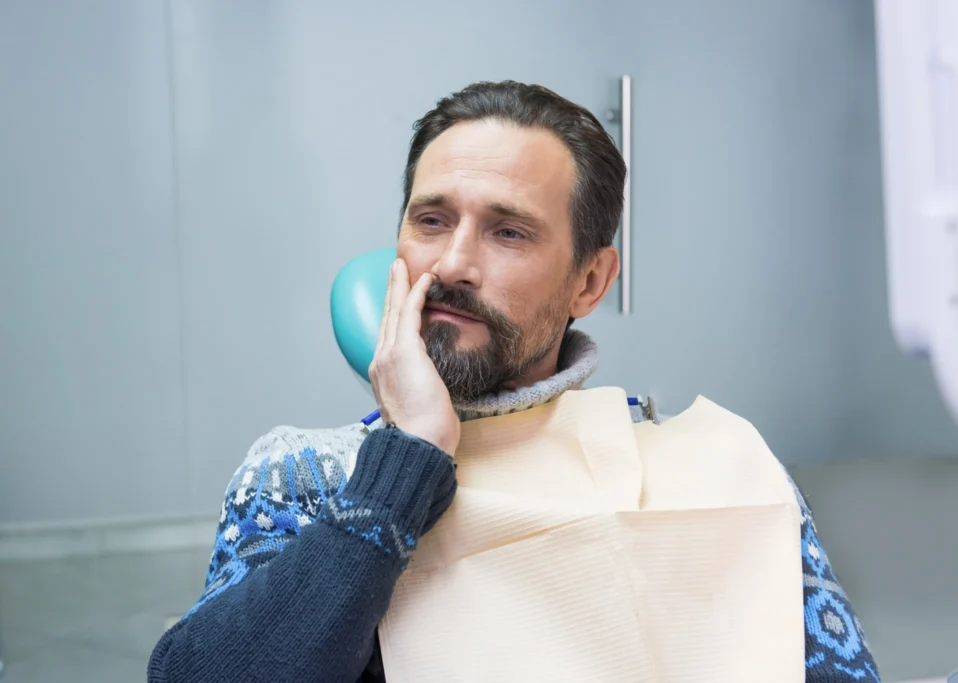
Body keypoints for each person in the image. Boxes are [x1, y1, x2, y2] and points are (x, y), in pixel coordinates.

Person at [148, 81, 879, 683]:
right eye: (431, 220)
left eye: (509, 232)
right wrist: (404, 465)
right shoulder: (303, 475)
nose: (455, 264)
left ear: (589, 280)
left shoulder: (719, 470)